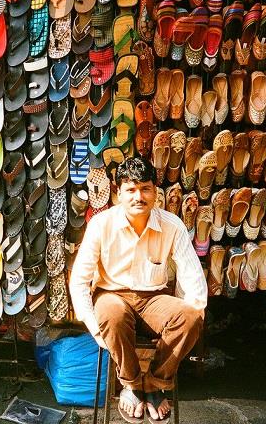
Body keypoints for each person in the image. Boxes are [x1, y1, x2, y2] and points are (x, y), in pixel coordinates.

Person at [69, 157, 207, 424]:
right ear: (117, 193)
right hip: (112, 295)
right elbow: (79, 280)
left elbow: (193, 278)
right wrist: (95, 329)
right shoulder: (101, 224)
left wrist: (190, 312)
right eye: (130, 190)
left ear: (155, 192)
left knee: (191, 316)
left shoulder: (172, 224)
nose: (138, 197)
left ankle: (156, 384)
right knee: (111, 313)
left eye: (145, 189)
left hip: (153, 299)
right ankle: (131, 384)